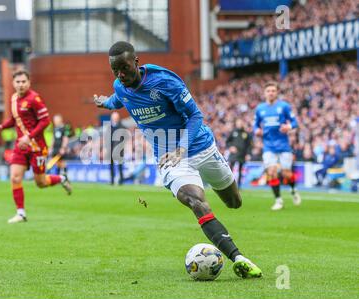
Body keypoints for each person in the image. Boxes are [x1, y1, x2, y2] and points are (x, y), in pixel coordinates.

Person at [93, 41, 261, 279]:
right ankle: (239, 258)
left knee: (234, 202)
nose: (120, 75)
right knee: (195, 201)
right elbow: (117, 99)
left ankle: (211, 186)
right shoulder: (120, 86)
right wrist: (104, 102)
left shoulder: (164, 81)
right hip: (170, 159)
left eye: (125, 68)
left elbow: (195, 115)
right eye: (115, 70)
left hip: (201, 147)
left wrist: (182, 148)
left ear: (136, 62)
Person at [0, 70, 72, 224]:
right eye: (18, 82)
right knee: (15, 177)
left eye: (24, 82)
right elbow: (15, 119)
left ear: (29, 83)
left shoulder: (34, 99)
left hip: (37, 147)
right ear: (13, 84)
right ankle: (21, 213)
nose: (21, 84)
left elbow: (45, 121)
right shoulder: (14, 98)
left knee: (40, 183)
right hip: (21, 147)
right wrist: (2, 127)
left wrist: (28, 137)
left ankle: (61, 178)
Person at [253, 82, 301, 211]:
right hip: (268, 146)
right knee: (272, 172)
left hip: (284, 145)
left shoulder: (284, 106)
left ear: (277, 92)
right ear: (265, 93)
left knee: (287, 174)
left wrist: (289, 127)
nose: (271, 93)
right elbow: (255, 125)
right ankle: (278, 200)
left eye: (273, 90)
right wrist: (257, 130)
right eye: (268, 90)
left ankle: (293, 189)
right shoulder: (260, 108)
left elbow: (295, 122)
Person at [226, 119, 251, 189]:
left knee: (240, 170)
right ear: (236, 124)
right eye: (238, 123)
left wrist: (248, 154)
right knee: (230, 169)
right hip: (234, 154)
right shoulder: (233, 132)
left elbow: (249, 145)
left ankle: (239, 186)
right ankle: (228, 184)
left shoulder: (245, 133)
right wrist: (230, 147)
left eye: (241, 123)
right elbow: (227, 142)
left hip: (242, 154)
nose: (239, 124)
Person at [109, 111, 125, 185]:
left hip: (119, 148)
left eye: (116, 118)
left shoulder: (122, 126)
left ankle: (121, 180)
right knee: (111, 165)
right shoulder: (109, 127)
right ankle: (112, 180)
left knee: (120, 165)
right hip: (111, 148)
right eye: (114, 118)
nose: (115, 119)